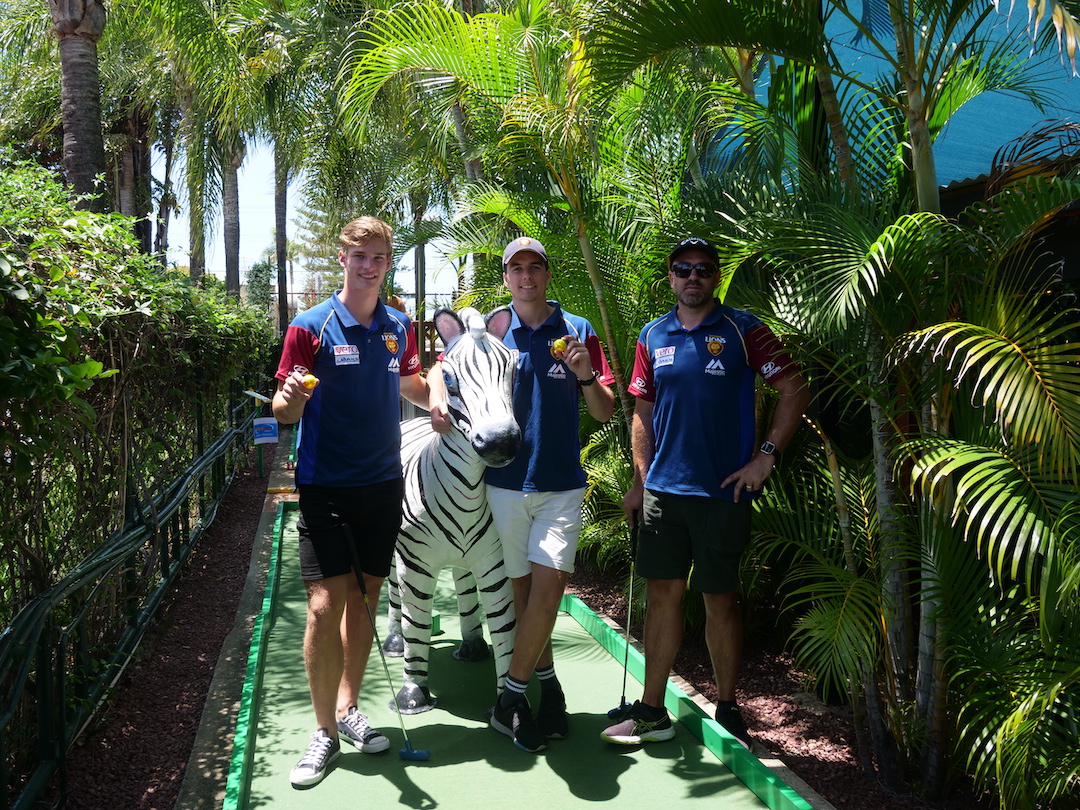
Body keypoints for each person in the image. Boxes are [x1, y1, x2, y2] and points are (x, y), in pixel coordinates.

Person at [601, 236, 810, 749]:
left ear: (715, 277)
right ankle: (652, 711)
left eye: (703, 269)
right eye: (683, 269)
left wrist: (765, 456)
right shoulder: (652, 335)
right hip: (663, 494)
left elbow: (795, 388)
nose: (692, 277)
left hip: (722, 493)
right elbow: (642, 412)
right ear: (670, 277)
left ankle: (728, 704)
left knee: (720, 600)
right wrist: (639, 480)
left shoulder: (743, 330)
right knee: (662, 595)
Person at [429, 236, 616, 752]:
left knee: (550, 585)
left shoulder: (578, 329)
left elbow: (604, 410)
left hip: (560, 483)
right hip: (504, 483)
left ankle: (511, 697)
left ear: (547, 273)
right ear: (506, 276)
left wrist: (584, 376)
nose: (526, 276)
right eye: (517, 269)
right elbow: (442, 369)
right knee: (523, 596)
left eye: (535, 266)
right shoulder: (495, 332)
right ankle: (549, 687)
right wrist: (440, 396)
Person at [273, 216, 431, 788]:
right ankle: (323, 734)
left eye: (379, 257)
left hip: (382, 485)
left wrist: (437, 394)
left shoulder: (398, 326)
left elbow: (410, 380)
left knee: (365, 598)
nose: (369, 266)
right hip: (323, 485)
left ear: (388, 263)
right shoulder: (309, 328)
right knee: (323, 605)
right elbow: (284, 411)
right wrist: (287, 399)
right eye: (360, 256)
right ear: (342, 258)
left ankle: (348, 707)